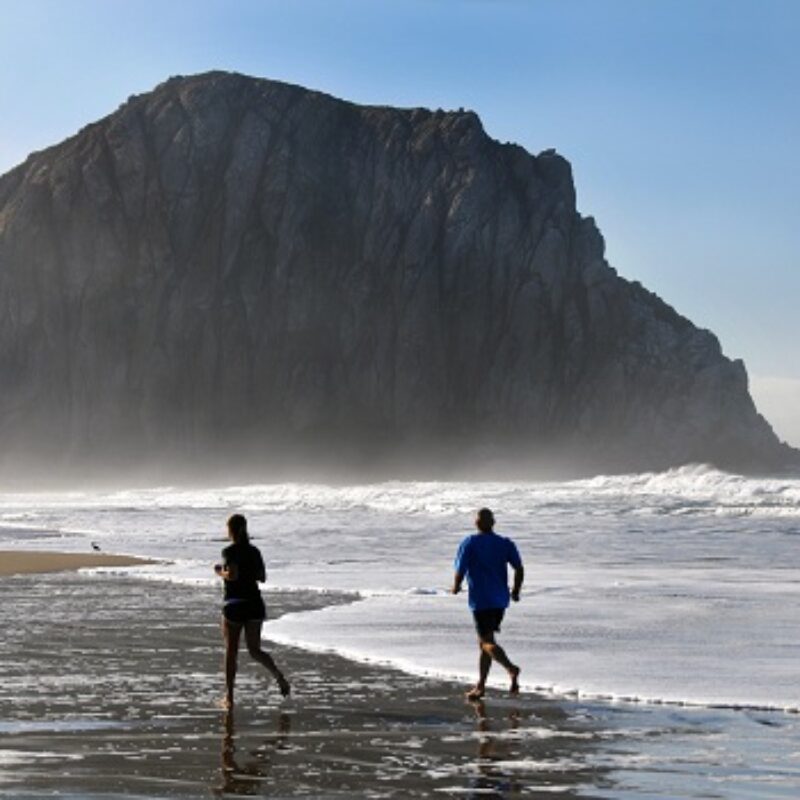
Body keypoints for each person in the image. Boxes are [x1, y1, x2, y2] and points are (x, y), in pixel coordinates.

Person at [214, 513, 290, 708]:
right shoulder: (255, 551)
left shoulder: (229, 551)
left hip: (235, 604)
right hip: (254, 604)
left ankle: (229, 698)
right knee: (255, 650)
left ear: (230, 530)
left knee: (231, 652)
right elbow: (262, 577)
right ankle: (278, 676)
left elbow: (232, 575)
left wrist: (219, 572)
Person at [452, 507, 524, 700]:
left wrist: (456, 586)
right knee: (485, 641)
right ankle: (481, 686)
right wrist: (516, 590)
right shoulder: (505, 543)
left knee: (486, 643)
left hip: (481, 600)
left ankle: (510, 668)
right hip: (500, 600)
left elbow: (460, 569)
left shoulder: (470, 542)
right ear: (493, 523)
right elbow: (519, 568)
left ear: (476, 523)